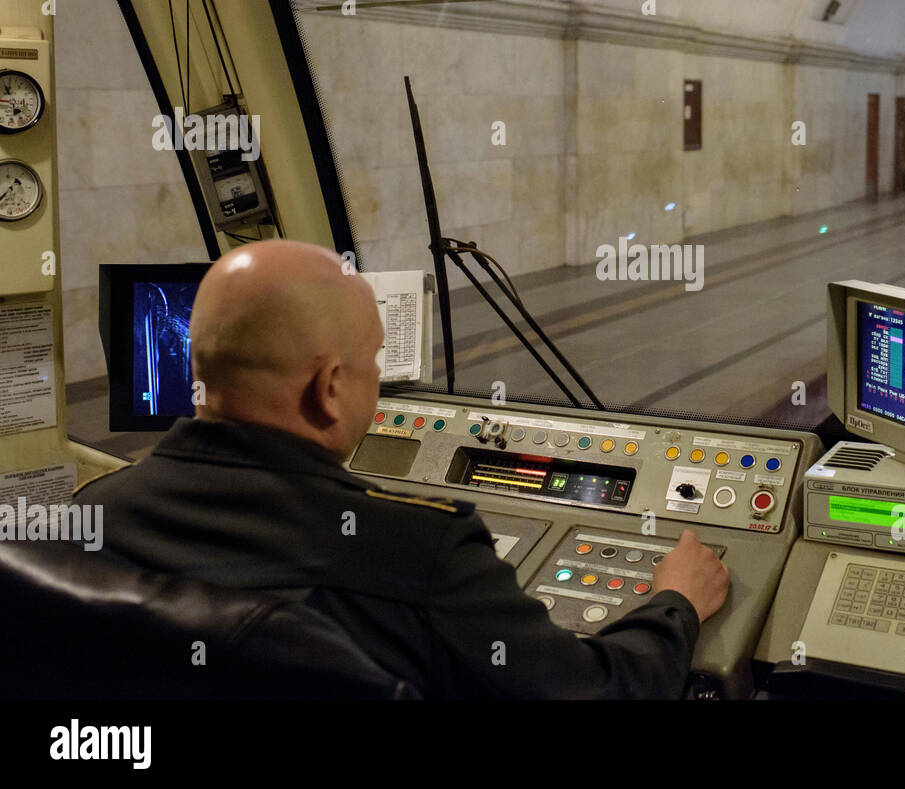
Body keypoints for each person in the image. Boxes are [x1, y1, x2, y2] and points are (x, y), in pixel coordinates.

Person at [76, 240, 730, 698]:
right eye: (373, 364)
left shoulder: (93, 514)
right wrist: (674, 604)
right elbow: (595, 690)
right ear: (330, 387)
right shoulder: (423, 552)